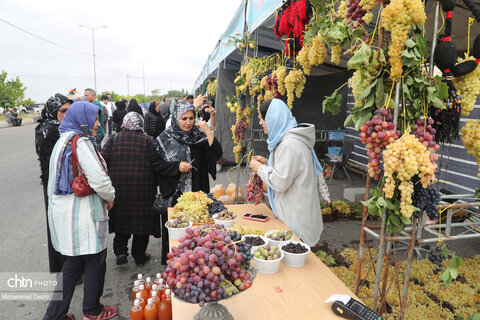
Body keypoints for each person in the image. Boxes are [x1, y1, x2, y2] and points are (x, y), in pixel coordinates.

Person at [43, 101, 117, 320]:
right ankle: (92, 310)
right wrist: (110, 197)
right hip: (82, 215)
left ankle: (54, 316)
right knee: (95, 260)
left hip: (65, 213)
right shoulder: (81, 142)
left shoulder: (62, 139)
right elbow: (99, 180)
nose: (97, 124)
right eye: (94, 119)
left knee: (72, 265)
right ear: (82, 119)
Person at [249, 99, 330, 246]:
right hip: (298, 214)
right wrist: (268, 162)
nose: (260, 122)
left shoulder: (289, 144)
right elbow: (292, 168)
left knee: (299, 261)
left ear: (273, 118)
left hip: (298, 220)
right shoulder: (289, 140)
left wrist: (259, 168)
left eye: (263, 118)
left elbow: (281, 182)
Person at [152, 101, 222, 264]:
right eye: (184, 118)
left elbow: (216, 153)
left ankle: (196, 264)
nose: (188, 122)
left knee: (196, 234)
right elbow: (155, 165)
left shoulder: (198, 136)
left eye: (191, 118)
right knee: (176, 236)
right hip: (175, 196)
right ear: (176, 118)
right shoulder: (164, 139)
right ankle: (173, 265)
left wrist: (207, 131)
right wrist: (176, 167)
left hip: (197, 195)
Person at [101, 112, 158, 266]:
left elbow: (102, 160)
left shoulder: (114, 138)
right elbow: (156, 164)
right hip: (143, 189)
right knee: (142, 223)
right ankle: (139, 256)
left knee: (121, 220)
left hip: (118, 187)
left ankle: (120, 252)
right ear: (140, 124)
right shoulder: (147, 140)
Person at [35, 93, 72, 273]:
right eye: (62, 110)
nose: (66, 114)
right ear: (52, 111)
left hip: (58, 183)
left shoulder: (54, 127)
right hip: (54, 184)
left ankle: (68, 265)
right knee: (60, 225)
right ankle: (66, 267)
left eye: (69, 110)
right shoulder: (52, 129)